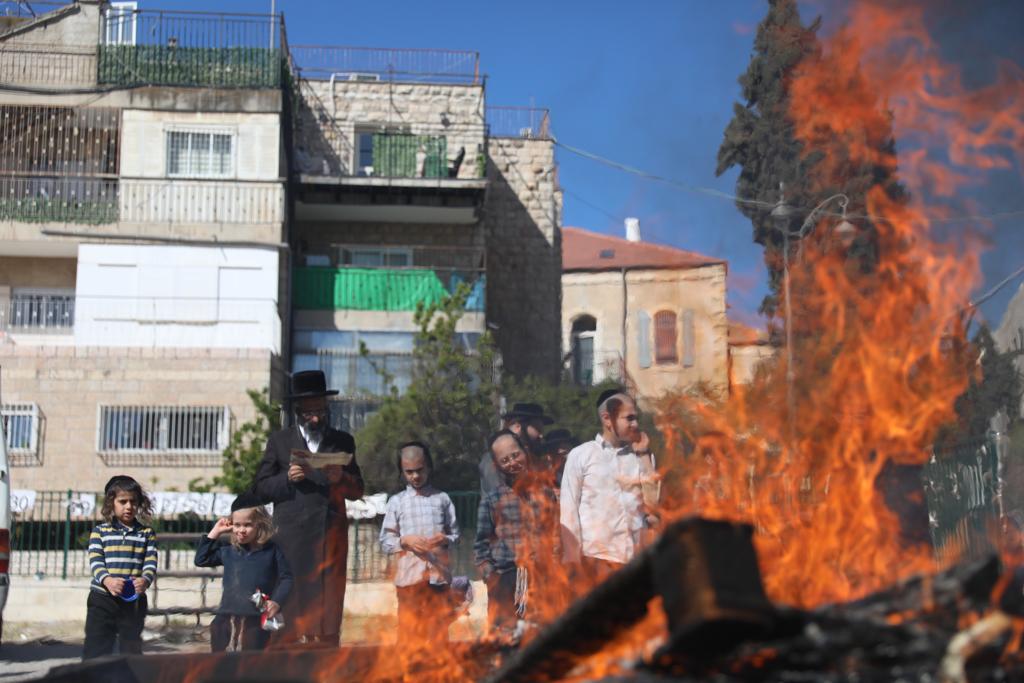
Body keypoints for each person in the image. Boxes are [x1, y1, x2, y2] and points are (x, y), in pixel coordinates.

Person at [255, 370, 364, 647]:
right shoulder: (279, 441)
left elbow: (358, 490)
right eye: (309, 412)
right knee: (290, 595)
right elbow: (261, 487)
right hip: (291, 535)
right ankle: (286, 652)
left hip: (330, 533)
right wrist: (286, 479)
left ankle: (327, 651)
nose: (315, 417)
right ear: (297, 410)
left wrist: (343, 478)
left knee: (328, 598)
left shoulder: (343, 441)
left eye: (320, 410)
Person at [560, 388, 659, 581]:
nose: (635, 424)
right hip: (595, 559)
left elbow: (653, 505)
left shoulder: (642, 455)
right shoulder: (581, 455)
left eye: (636, 418)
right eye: (629, 418)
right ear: (607, 419)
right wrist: (572, 558)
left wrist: (644, 455)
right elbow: (569, 509)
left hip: (634, 559)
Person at [475, 429, 559, 638]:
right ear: (496, 465)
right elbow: (481, 545)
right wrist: (491, 576)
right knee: (504, 639)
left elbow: (555, 534)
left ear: (525, 451)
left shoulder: (545, 492)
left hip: (540, 578)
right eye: (504, 460)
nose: (512, 463)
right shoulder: (492, 500)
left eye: (515, 455)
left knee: (539, 637)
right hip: (505, 579)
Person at [379, 442, 460, 646]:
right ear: (402, 472)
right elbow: (385, 542)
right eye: (409, 472)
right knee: (409, 639)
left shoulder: (442, 499)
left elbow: (456, 535)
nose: (415, 476)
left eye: (420, 470)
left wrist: (445, 539)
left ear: (429, 467)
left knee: (439, 638)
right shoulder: (396, 502)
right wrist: (404, 541)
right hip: (409, 583)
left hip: (439, 580)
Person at [195, 491, 293, 652]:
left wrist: (276, 602)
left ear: (260, 524)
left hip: (257, 616)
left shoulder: (272, 551)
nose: (241, 530)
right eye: (237, 524)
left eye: (247, 525)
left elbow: (287, 578)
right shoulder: (229, 551)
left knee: (252, 659)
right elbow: (201, 559)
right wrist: (215, 532)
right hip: (226, 615)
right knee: (219, 659)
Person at [84, 476, 157, 660]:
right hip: (102, 600)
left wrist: (145, 581)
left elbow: (150, 562)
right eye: (122, 501)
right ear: (111, 503)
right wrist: (107, 580)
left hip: (133, 603)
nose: (128, 506)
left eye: (133, 501)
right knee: (96, 648)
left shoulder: (146, 534)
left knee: (131, 651)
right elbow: (96, 562)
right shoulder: (99, 532)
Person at [479, 403, 553, 495]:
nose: (541, 435)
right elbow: (499, 496)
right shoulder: (491, 458)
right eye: (537, 429)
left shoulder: (530, 457)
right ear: (518, 427)